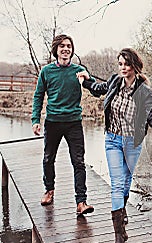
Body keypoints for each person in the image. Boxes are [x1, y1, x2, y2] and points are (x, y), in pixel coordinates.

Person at [77, 48, 152, 243]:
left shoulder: (144, 92)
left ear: (134, 66)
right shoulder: (114, 81)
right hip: (112, 139)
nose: (122, 68)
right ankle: (119, 235)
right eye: (120, 64)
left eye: (126, 64)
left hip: (132, 143)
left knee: (126, 182)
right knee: (117, 185)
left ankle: (122, 213)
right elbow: (98, 87)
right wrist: (86, 80)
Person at [31, 34, 95, 216]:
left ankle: (81, 202)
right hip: (53, 122)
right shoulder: (47, 71)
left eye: (69, 46)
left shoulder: (79, 70)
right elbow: (38, 96)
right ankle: (49, 190)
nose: (66, 49)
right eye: (62, 46)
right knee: (48, 158)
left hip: (74, 122)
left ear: (72, 50)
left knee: (79, 162)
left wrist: (88, 78)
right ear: (56, 50)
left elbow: (94, 87)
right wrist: (36, 119)